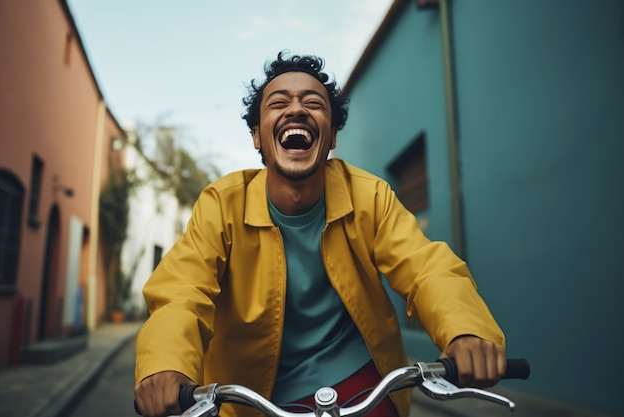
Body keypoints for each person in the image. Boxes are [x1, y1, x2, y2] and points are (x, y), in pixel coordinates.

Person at [133, 50, 506, 417]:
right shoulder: (221, 205)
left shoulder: (370, 196)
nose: (296, 109)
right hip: (252, 397)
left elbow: (427, 268)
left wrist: (464, 330)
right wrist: (166, 363)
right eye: (278, 103)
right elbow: (181, 291)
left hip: (359, 382)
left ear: (331, 139)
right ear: (257, 137)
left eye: (314, 103)